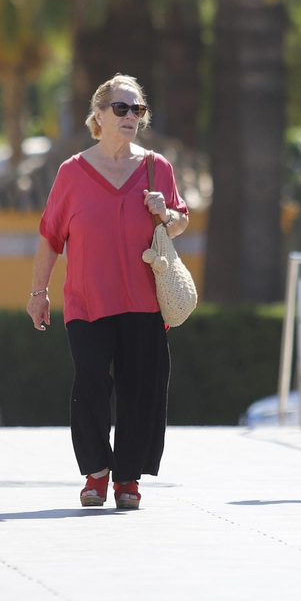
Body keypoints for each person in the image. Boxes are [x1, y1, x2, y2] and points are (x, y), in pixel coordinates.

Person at [27, 74, 187, 510]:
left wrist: (165, 213)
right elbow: (50, 237)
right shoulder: (71, 172)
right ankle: (96, 472)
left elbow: (180, 222)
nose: (131, 116)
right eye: (121, 108)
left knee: (141, 389)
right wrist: (38, 292)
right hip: (87, 301)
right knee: (91, 384)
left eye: (137, 109)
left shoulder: (157, 167)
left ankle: (128, 478)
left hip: (144, 300)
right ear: (98, 115)